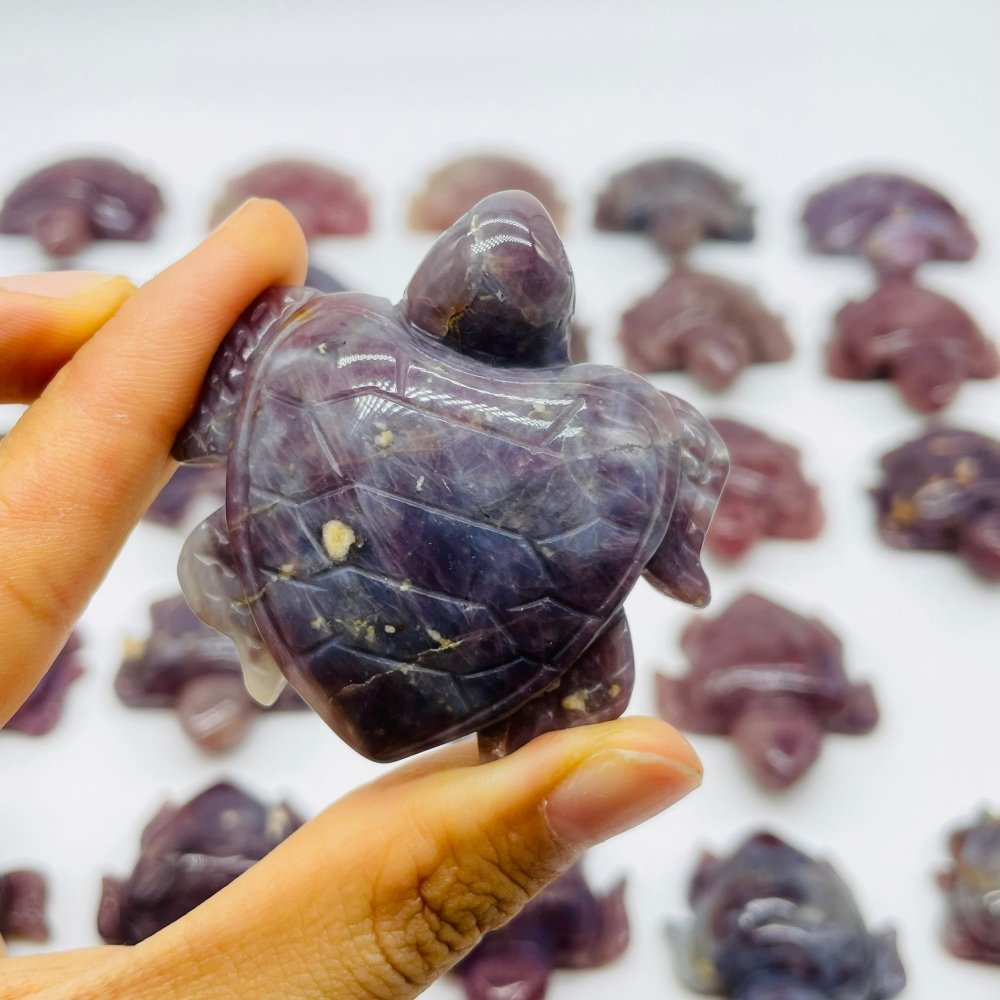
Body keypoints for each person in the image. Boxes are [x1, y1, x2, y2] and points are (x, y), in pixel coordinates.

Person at [0, 199, 701, 997]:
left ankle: (265, 632)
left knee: (216, 552)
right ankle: (281, 638)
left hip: (319, 608)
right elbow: (672, 542)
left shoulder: (313, 333)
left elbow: (179, 414)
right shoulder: (632, 423)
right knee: (580, 700)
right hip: (490, 646)